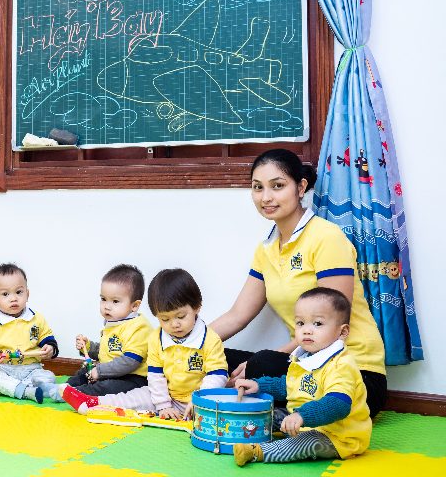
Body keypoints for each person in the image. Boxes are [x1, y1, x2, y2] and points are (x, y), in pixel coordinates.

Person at [210, 149, 387, 416]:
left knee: (261, 363)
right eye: (258, 187)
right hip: (304, 366)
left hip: (352, 375)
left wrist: (263, 363)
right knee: (212, 357)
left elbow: (332, 321)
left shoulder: (326, 237)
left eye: (277, 186)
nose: (266, 197)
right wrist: (185, 342)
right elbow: (237, 316)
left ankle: (265, 403)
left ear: (301, 187)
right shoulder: (266, 250)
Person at [62, 268, 227, 417]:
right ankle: (94, 403)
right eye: (164, 319)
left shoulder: (210, 340)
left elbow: (217, 375)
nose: (174, 324)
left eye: (181, 317)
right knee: (131, 398)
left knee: (224, 405)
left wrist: (199, 400)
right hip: (165, 396)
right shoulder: (156, 338)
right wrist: (163, 405)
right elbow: (155, 375)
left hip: (198, 401)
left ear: (197, 307)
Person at [233, 288, 371, 466]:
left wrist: (302, 415)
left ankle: (256, 452)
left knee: (307, 442)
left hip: (336, 435)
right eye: (300, 323)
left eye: (318, 324)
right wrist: (259, 386)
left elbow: (338, 404)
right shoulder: (305, 356)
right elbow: (290, 386)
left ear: (342, 332)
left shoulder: (341, 366)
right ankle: (239, 430)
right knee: (269, 415)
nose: (306, 330)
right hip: (301, 419)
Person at [51, 264, 152, 400]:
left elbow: (129, 362)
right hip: (114, 373)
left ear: (134, 305)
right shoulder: (114, 323)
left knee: (107, 387)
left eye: (115, 301)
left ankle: (73, 393)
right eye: (103, 299)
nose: (107, 306)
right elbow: (109, 352)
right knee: (83, 373)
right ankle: (62, 387)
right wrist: (88, 347)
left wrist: (99, 371)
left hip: (133, 378)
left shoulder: (139, 328)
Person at [0, 263, 60, 403]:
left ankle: (5, 389)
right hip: (3, 367)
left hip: (31, 369)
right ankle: (26, 391)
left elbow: (48, 338)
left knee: (49, 376)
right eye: (5, 294)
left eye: (18, 292)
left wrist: (50, 348)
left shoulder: (36, 318)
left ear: (27, 294)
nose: (13, 298)